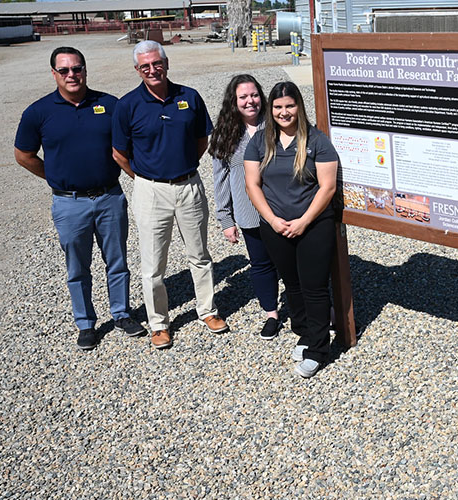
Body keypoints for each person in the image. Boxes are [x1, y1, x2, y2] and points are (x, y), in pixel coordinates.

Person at [14, 46, 145, 350]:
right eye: (65, 70)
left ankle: (122, 313)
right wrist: (55, 176)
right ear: (54, 74)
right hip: (69, 203)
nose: (72, 75)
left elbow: (127, 147)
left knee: (117, 261)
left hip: (109, 197)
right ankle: (86, 323)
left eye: (77, 68)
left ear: (85, 70)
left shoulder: (109, 105)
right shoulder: (38, 112)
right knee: (77, 267)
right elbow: (23, 155)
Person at [112, 40, 228, 349]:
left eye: (157, 63)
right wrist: (145, 179)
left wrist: (184, 166)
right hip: (151, 190)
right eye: (145, 66)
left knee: (200, 255)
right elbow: (119, 153)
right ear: (138, 70)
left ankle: (207, 310)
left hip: (189, 186)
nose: (152, 69)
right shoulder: (127, 105)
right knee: (153, 265)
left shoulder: (189, 97)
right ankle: (159, 324)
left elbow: (202, 140)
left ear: (166, 62)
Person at [243, 81, 340, 378]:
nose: (284, 112)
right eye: (278, 107)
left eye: (289, 106)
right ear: (270, 110)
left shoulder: (317, 140)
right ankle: (305, 333)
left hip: (312, 225)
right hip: (276, 226)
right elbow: (252, 184)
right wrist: (272, 220)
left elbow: (328, 187)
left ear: (299, 106)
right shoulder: (260, 141)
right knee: (293, 285)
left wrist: (304, 221)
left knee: (314, 287)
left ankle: (319, 348)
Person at [209, 74, 283, 340]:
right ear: (234, 101)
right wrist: (226, 220)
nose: (250, 101)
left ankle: (302, 308)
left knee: (290, 261)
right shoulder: (225, 134)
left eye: (254, 95)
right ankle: (271, 314)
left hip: (281, 208)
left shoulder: (276, 123)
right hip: (249, 211)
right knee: (261, 264)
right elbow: (220, 180)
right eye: (243, 97)